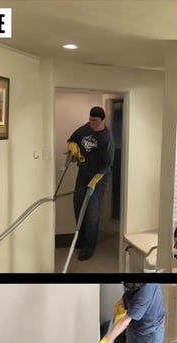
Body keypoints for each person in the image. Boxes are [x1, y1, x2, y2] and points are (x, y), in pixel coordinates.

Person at [67, 106, 115, 261]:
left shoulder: (107, 138)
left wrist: (94, 180)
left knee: (92, 211)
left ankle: (89, 246)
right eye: (90, 119)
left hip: (99, 177)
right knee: (77, 202)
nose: (91, 122)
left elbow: (107, 164)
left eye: (94, 120)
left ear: (102, 120)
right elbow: (72, 139)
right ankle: (79, 240)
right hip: (83, 172)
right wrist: (74, 149)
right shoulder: (85, 128)